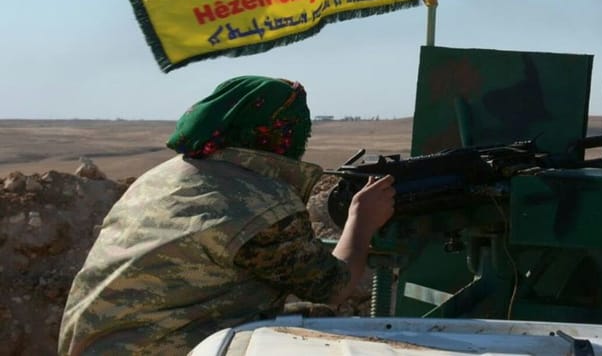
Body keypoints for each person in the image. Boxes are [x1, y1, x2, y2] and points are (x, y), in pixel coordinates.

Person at [58, 76, 396, 355]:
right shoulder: (260, 200)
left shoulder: (162, 176)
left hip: (96, 343)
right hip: (157, 347)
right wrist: (362, 220)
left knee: (308, 319)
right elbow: (334, 287)